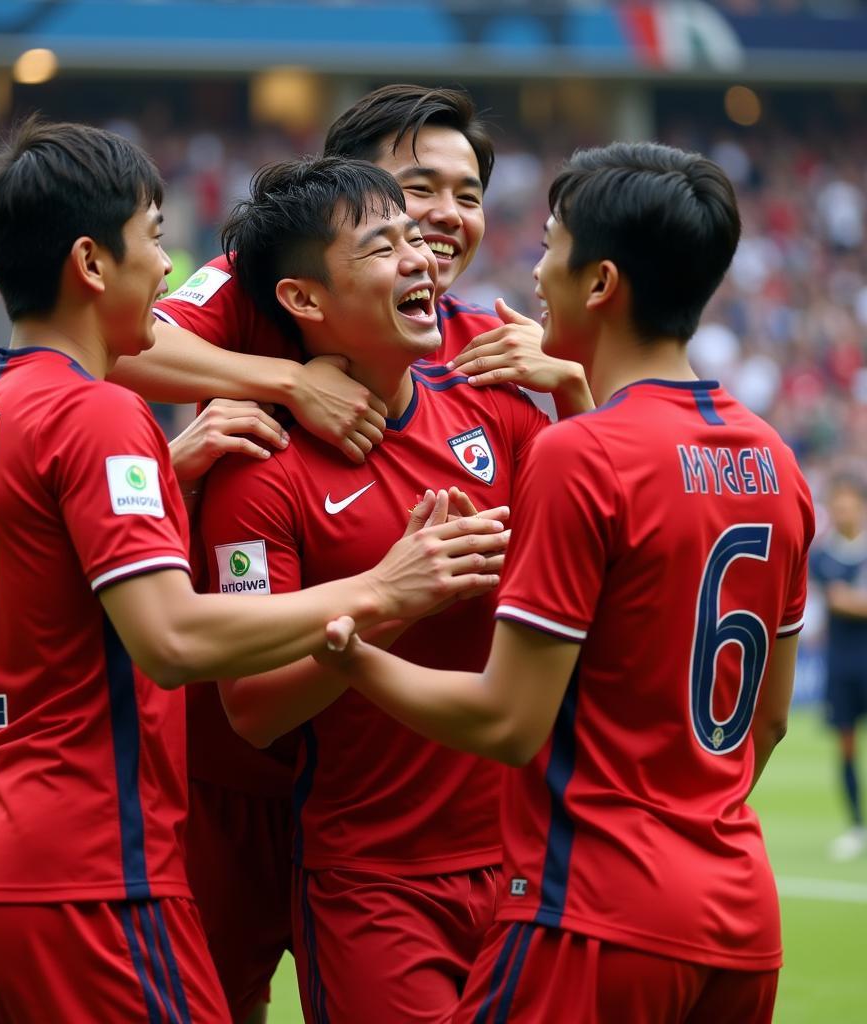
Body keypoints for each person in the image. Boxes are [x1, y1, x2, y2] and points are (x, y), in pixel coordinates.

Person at [0, 117, 508, 1023]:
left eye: (461, 196)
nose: (165, 269)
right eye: (153, 239)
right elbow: (175, 639)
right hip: (89, 868)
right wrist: (382, 591)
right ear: (91, 262)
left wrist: (160, 479)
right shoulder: (112, 404)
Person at [124, 84, 593, 1024]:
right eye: (417, 191)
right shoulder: (263, 294)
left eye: (467, 196)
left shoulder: (486, 361)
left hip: (441, 818)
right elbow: (125, 342)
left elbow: (595, 544)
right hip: (242, 787)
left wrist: (578, 394)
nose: (442, 222)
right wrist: (292, 380)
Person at [321, 142, 816, 1023]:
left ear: (600, 284)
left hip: (590, 912)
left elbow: (508, 723)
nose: (536, 273)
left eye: (551, 248)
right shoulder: (778, 463)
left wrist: (352, 651)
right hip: (742, 917)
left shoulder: (578, 453)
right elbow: (769, 720)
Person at [201, 155, 547, 1024]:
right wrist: (387, 599)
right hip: (374, 883)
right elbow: (253, 709)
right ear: (305, 301)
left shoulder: (495, 412)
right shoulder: (258, 468)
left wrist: (578, 389)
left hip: (529, 866)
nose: (423, 258)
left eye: (416, 241)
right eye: (384, 246)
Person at [810, 473, 867, 861]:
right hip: (841, 665)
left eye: (850, 503)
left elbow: (845, 603)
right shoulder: (822, 557)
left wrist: (847, 602)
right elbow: (828, 603)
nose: (844, 510)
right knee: (846, 745)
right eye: (838, 504)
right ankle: (856, 826)